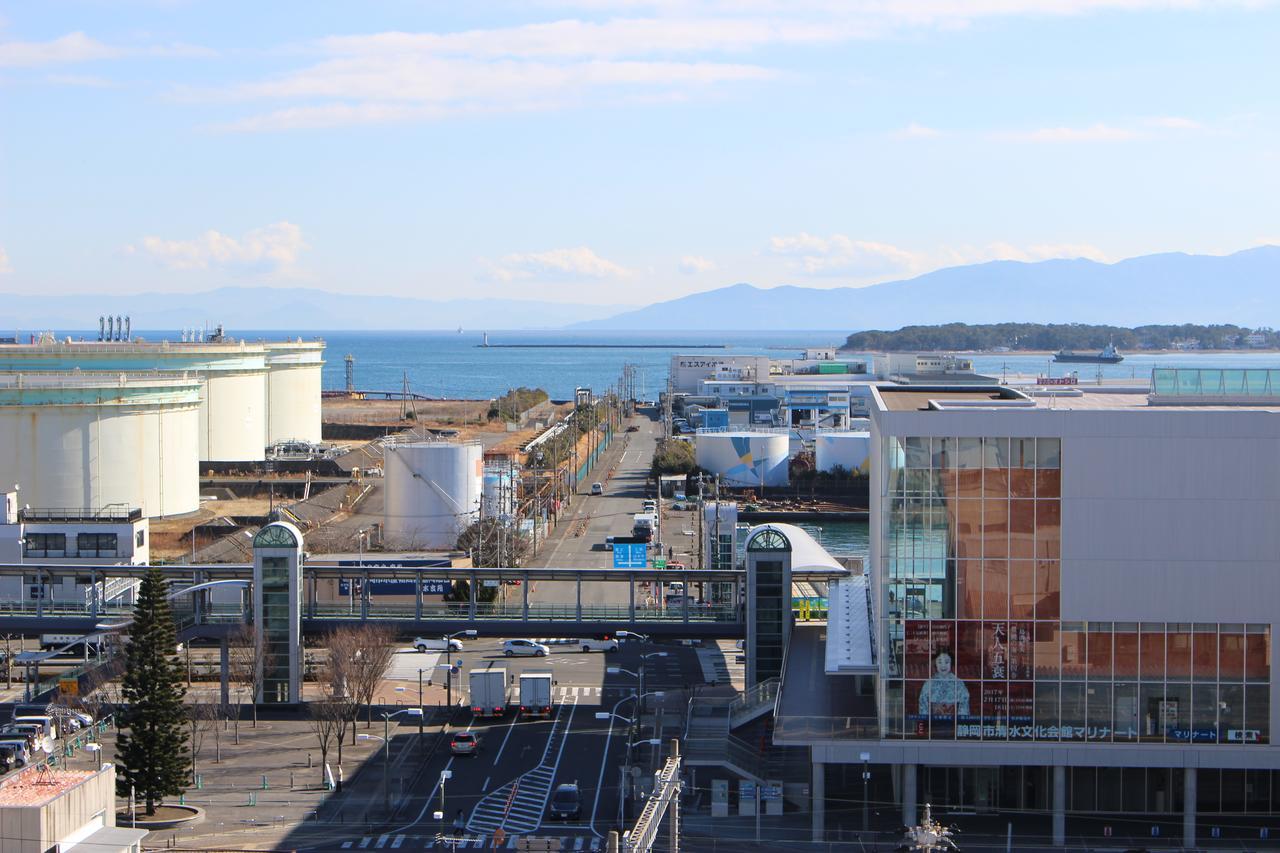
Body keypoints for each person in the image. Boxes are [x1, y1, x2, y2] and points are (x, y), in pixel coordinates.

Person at [917, 652, 970, 717]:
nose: (943, 666)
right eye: (939, 662)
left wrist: (960, 722)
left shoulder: (959, 683)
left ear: (951, 663)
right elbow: (923, 705)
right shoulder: (929, 683)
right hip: (933, 723)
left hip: (954, 722)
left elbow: (964, 705)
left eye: (947, 662)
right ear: (935, 664)